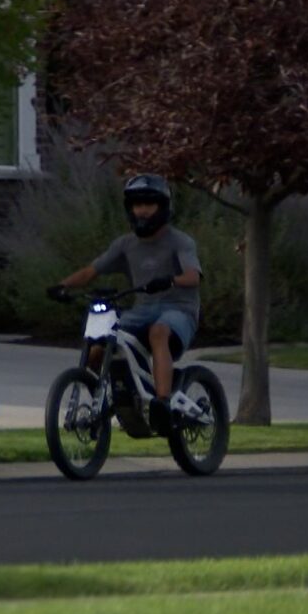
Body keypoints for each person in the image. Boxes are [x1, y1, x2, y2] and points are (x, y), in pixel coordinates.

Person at [49, 173, 201, 434]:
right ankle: (104, 399)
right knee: (100, 343)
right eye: (136, 204)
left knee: (159, 332)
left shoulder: (180, 241)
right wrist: (63, 286)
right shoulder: (125, 245)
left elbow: (193, 276)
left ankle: (162, 404)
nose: (141, 211)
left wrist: (170, 280)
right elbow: (91, 271)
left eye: (148, 204)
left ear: (162, 206)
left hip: (179, 311)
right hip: (141, 312)